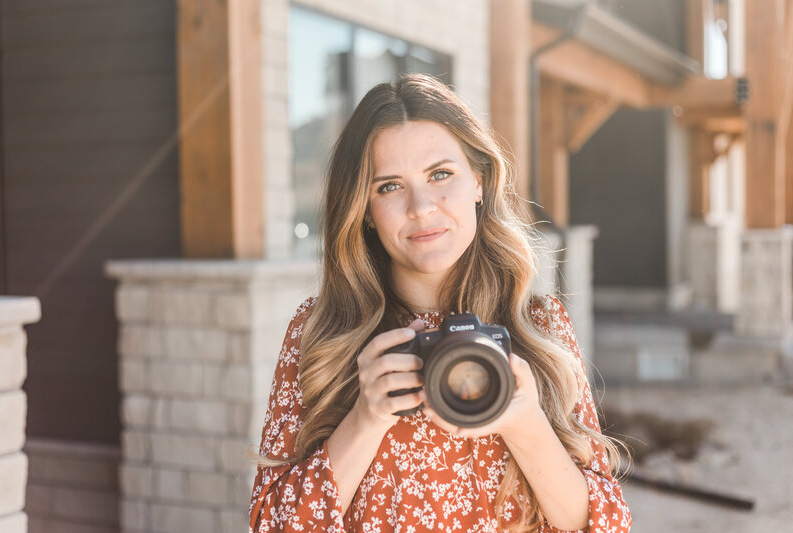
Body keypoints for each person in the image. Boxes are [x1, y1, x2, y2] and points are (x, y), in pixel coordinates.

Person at [249, 73, 631, 532]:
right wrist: (365, 420)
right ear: (364, 211)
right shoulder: (320, 331)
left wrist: (527, 424)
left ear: (479, 181)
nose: (421, 206)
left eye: (440, 174)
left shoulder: (538, 325)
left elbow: (607, 525)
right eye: (388, 186)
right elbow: (272, 526)